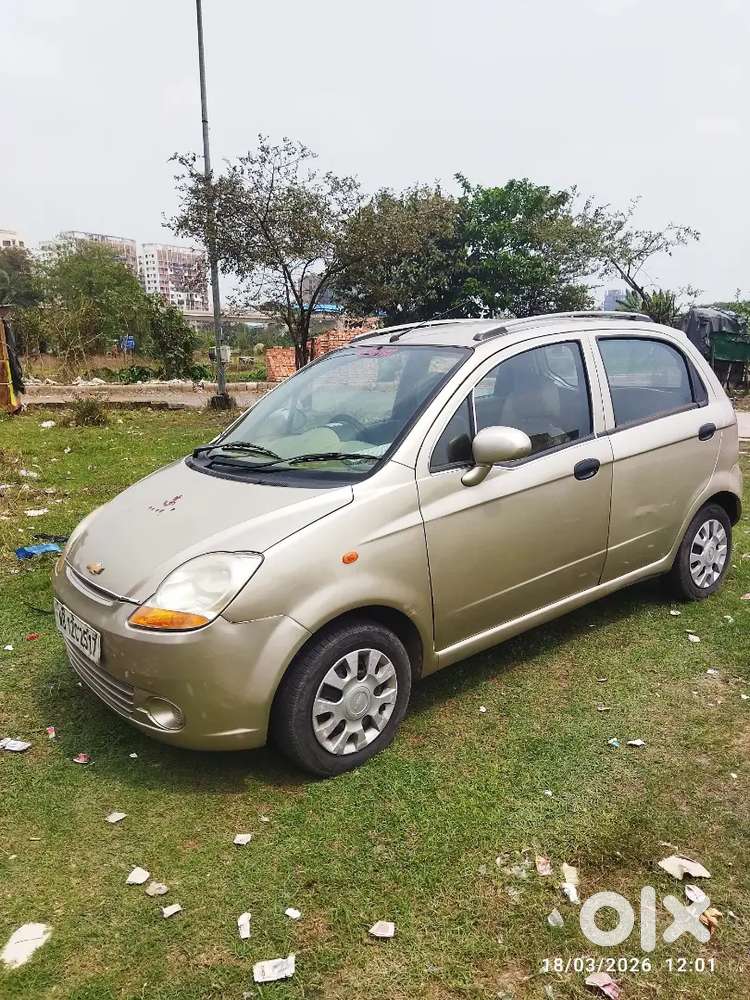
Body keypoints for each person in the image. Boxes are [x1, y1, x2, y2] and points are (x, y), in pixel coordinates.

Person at [0, 303, 25, 414]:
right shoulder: (4, 325)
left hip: (9, 357)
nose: (6, 312)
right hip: (7, 358)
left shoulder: (6, 325)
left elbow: (11, 348)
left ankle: (15, 405)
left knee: (14, 375)